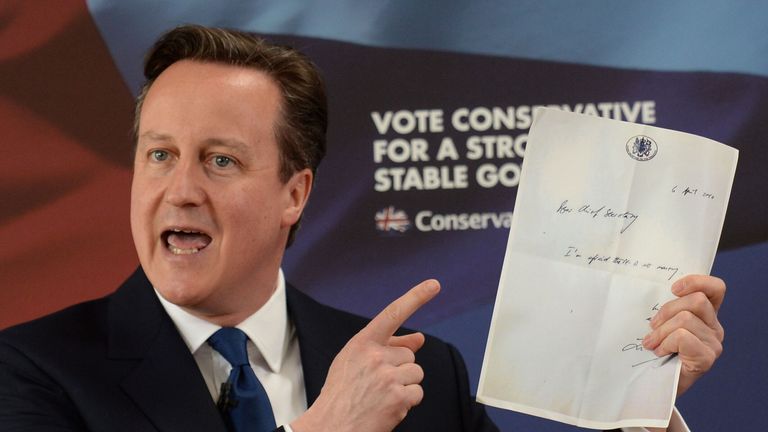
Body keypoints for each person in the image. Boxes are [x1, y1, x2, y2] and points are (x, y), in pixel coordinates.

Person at [0, 25, 724, 432]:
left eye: (219, 160)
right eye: (159, 155)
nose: (179, 190)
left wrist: (644, 401)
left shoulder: (421, 375)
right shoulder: (32, 374)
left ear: (295, 191)